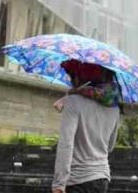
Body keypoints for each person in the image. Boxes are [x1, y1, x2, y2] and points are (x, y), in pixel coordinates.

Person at [52, 60, 121, 193]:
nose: (71, 79)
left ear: (82, 77)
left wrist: (59, 183)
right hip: (101, 179)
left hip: (77, 180)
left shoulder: (73, 102)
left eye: (72, 76)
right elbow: (110, 146)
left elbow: (66, 144)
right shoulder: (115, 107)